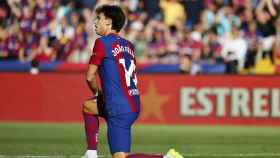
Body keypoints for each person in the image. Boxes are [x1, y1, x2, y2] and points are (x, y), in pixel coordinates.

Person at [82, 4, 184, 158]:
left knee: (120, 157)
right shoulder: (128, 45)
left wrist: (97, 92)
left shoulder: (102, 43)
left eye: (99, 19)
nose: (95, 22)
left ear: (109, 22)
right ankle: (90, 154)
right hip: (132, 103)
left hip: (118, 107)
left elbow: (90, 76)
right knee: (89, 107)